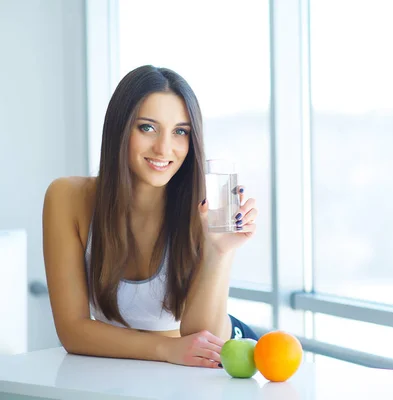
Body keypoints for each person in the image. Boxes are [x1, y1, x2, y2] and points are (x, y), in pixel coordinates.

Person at [42, 65, 259, 369]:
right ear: (120, 128)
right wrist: (166, 349)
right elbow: (72, 330)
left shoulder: (202, 208)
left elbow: (202, 338)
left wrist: (218, 251)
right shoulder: (68, 198)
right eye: (147, 127)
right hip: (162, 363)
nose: (164, 148)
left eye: (180, 132)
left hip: (223, 353)